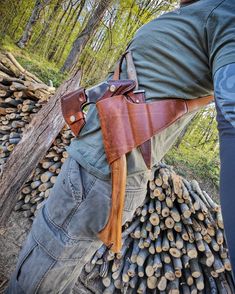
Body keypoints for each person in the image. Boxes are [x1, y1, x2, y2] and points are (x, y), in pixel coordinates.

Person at [7, 0, 235, 292]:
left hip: (102, 173)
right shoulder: (197, 16)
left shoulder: (226, 13)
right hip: (98, 166)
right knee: (55, 260)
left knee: (46, 256)